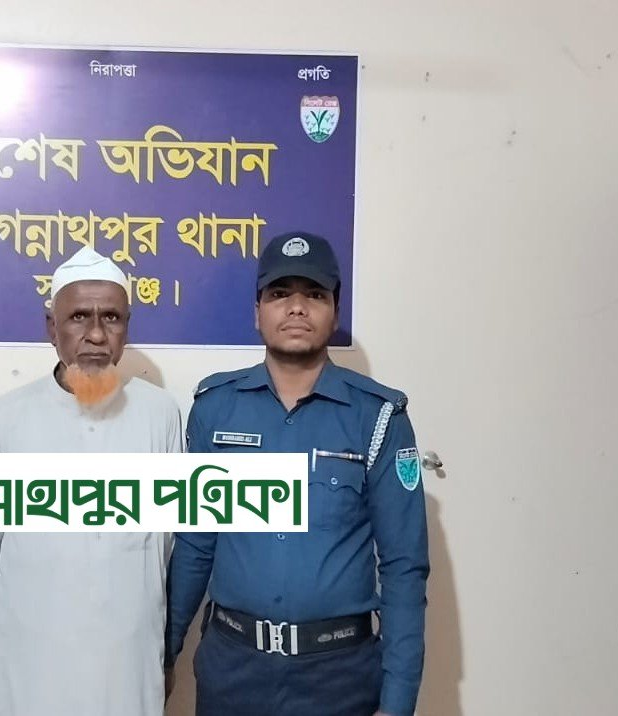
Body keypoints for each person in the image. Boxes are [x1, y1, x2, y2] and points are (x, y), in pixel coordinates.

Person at [165, 231, 429, 716]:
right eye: (280, 293)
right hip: (232, 672)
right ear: (257, 311)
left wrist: (398, 704)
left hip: (339, 677)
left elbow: (403, 568)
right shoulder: (216, 408)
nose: (297, 307)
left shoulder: (378, 417)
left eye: (315, 295)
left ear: (335, 311)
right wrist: (164, 653)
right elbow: (195, 545)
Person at [0, 246, 183, 716]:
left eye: (112, 318)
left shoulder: (160, 414)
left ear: (127, 328)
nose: (96, 334)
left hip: (126, 669)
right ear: (52, 328)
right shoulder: (2, 420)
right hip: (27, 670)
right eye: (79, 317)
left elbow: (165, 548)